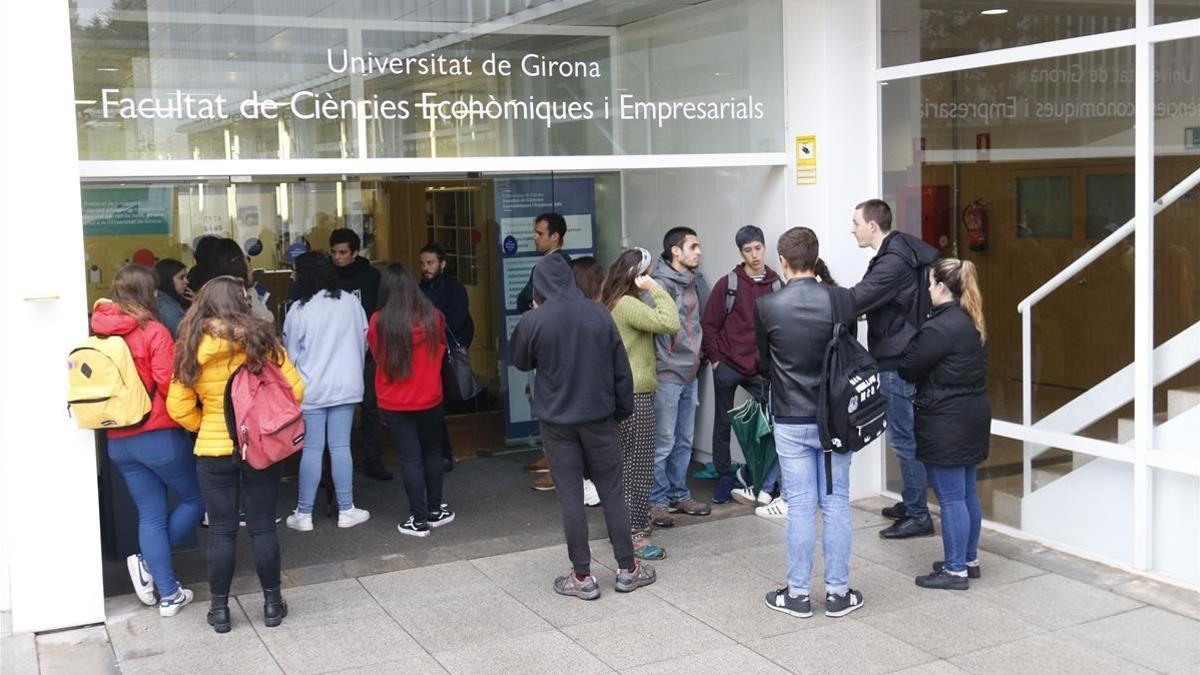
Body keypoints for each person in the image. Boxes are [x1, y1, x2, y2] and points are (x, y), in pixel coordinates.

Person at [510, 254, 654, 600]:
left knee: (571, 498)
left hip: (557, 424)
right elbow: (622, 371)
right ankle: (627, 569)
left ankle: (582, 576)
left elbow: (519, 360)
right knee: (612, 493)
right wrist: (620, 411)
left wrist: (534, 313)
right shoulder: (598, 312)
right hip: (600, 418)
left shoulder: (535, 319)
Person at [167, 276, 304, 634]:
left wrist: (204, 424)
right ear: (242, 302)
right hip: (258, 446)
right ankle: (273, 604)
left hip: (213, 450)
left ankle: (220, 611)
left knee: (222, 532)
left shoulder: (191, 345)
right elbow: (296, 390)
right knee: (261, 528)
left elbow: (177, 406)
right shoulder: (262, 341)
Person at [756, 226, 863, 619]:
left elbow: (764, 364)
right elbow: (848, 354)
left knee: (800, 506)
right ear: (815, 260)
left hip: (790, 417)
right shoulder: (841, 300)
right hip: (835, 419)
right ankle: (838, 593)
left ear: (783, 262)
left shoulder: (768, 306)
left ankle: (797, 594)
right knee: (835, 504)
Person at [92, 264, 203, 617]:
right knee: (195, 499)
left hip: (118, 439)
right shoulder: (153, 332)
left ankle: (169, 594)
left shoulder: (99, 333)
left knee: (150, 515)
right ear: (148, 292)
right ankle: (147, 563)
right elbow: (170, 384)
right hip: (158, 435)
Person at [848, 199, 940, 540]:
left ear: (873, 225)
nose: (852, 229)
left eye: (855, 222)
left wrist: (822, 300)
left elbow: (861, 296)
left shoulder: (892, 261)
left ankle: (918, 514)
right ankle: (912, 500)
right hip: (901, 352)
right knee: (904, 435)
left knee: (904, 438)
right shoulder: (899, 252)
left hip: (896, 359)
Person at [899, 259, 990, 590]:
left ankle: (955, 571)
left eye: (930, 283)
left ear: (941, 287)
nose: (927, 289)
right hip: (971, 414)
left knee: (951, 497)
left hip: (946, 419)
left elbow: (909, 367)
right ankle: (968, 559)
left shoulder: (940, 327)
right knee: (966, 492)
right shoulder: (971, 320)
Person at [282, 252, 371, 532]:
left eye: (296, 272)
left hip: (312, 390)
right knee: (341, 446)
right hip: (346, 387)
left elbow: (289, 354)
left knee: (312, 449)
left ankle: (304, 514)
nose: (293, 276)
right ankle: (347, 509)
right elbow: (364, 339)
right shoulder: (351, 302)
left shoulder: (299, 309)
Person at [602, 248, 680, 561]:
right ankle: (634, 535)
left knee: (625, 465)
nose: (650, 278)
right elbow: (669, 321)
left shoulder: (612, 303)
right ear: (636, 275)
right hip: (635, 395)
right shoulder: (628, 305)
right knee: (638, 467)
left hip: (622, 394)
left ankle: (622, 530)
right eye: (646, 273)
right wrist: (656, 289)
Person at [700, 225, 783, 506]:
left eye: (758, 248)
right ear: (741, 253)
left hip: (760, 368)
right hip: (728, 364)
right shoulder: (729, 284)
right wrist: (716, 361)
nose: (754, 255)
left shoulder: (775, 284)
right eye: (748, 250)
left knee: (767, 424)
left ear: (764, 248)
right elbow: (709, 325)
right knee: (723, 422)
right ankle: (725, 475)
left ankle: (758, 475)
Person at [370, 264, 454, 538]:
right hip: (430, 396)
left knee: (409, 458)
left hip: (395, 400)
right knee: (432, 453)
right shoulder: (434, 316)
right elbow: (442, 352)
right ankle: (434, 511)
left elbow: (376, 355)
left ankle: (418, 520)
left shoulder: (379, 321)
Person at [649, 226, 712, 527]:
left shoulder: (692, 281)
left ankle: (678, 493)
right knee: (663, 440)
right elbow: (654, 327)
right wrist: (666, 360)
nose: (699, 252)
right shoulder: (658, 284)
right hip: (668, 373)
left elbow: (696, 324)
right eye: (693, 246)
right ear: (676, 250)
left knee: (684, 440)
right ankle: (656, 500)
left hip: (690, 372)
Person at [516, 213, 572, 488]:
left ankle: (558, 466)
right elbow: (524, 299)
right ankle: (549, 456)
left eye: (540, 233)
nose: (534, 237)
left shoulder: (557, 265)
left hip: (555, 347)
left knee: (553, 407)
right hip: (547, 344)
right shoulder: (546, 264)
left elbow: (526, 298)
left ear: (556, 237)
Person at [329, 228, 390, 482]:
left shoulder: (370, 277)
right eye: (333, 252)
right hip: (334, 353)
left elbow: (380, 311)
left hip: (366, 351)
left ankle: (372, 460)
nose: (337, 257)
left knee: (369, 408)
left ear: (355, 253)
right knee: (332, 410)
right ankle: (329, 469)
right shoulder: (327, 277)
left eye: (343, 252)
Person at [419, 242, 474, 473]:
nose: (425, 267)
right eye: (422, 263)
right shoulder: (418, 289)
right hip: (426, 355)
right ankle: (442, 452)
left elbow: (459, 321)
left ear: (442, 264)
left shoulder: (454, 289)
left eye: (430, 263)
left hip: (445, 352)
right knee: (434, 407)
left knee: (439, 405)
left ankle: (443, 453)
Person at [570, 256, 607, 507]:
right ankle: (589, 482)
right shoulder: (600, 312)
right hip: (595, 388)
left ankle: (586, 482)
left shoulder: (567, 310)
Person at [154, 258, 192, 338]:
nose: (186, 281)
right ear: (167, 279)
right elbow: (186, 335)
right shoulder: (167, 307)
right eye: (181, 277)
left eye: (186, 277)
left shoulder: (165, 299)